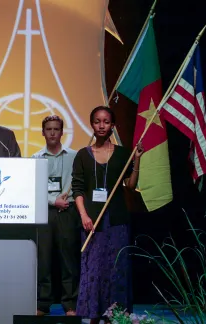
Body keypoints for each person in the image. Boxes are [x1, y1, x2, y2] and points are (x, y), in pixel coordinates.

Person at [71, 106, 143, 324]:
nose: (101, 126)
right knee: (94, 268)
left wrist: (137, 158)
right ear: (92, 124)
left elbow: (130, 185)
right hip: (92, 222)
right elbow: (78, 189)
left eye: (106, 122)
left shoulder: (123, 153)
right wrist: (84, 216)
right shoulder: (83, 155)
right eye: (97, 121)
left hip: (117, 221)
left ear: (113, 126)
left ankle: (116, 315)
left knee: (116, 268)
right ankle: (94, 314)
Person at [31, 115, 80, 316]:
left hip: (68, 213)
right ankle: (43, 304)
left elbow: (79, 184)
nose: (52, 132)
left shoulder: (75, 156)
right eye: (48, 129)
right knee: (44, 259)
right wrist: (52, 201)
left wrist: (69, 200)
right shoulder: (35, 159)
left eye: (56, 129)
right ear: (43, 132)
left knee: (68, 259)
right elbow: (32, 189)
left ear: (62, 132)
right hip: (44, 213)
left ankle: (70, 304)